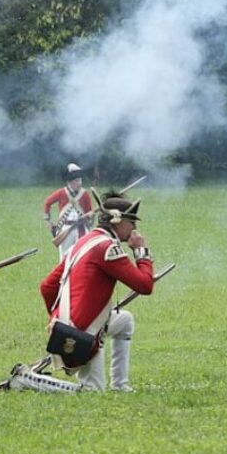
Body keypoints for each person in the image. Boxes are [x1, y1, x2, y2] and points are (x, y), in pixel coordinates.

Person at [38, 192, 154, 392]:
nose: (134, 228)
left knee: (125, 321)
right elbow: (145, 285)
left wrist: (59, 321)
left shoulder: (85, 241)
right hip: (83, 331)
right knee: (92, 391)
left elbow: (47, 286)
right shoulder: (108, 248)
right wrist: (141, 251)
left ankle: (120, 385)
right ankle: (29, 381)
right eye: (131, 222)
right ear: (117, 221)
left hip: (69, 324)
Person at [43, 163, 94, 261]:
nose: (80, 183)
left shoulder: (85, 194)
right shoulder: (61, 192)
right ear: (70, 181)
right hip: (65, 228)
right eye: (77, 180)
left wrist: (90, 215)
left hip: (81, 228)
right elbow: (47, 203)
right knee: (64, 258)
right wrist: (48, 221)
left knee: (82, 256)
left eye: (80, 180)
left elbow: (89, 211)